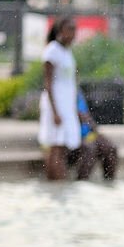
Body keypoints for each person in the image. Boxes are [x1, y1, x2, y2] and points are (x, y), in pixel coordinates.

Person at [38, 17, 81, 181]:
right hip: (55, 104)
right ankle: (56, 184)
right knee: (56, 145)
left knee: (62, 147)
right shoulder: (52, 50)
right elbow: (48, 83)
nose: (73, 33)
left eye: (75, 29)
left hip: (66, 104)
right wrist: (55, 111)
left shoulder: (67, 51)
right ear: (60, 31)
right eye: (69, 29)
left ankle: (59, 183)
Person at [68, 88, 119, 180]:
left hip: (88, 133)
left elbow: (86, 114)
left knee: (111, 147)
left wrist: (94, 128)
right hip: (72, 135)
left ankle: (109, 183)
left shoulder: (78, 92)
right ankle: (81, 182)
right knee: (90, 149)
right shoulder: (62, 90)